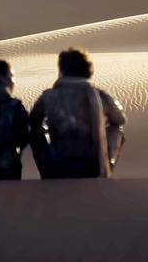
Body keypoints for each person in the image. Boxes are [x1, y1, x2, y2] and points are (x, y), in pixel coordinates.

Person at [29, 48, 126, 179]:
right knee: (116, 128)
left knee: (34, 130)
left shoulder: (48, 96)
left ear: (61, 70)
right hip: (93, 166)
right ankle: (106, 165)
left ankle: (47, 170)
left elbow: (33, 121)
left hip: (57, 164)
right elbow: (120, 119)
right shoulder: (100, 95)